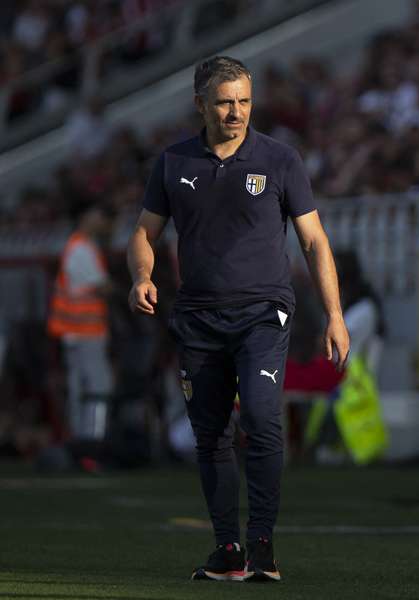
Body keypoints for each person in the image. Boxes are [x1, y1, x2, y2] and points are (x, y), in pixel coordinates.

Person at [127, 56, 349, 582]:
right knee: (211, 435)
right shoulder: (173, 161)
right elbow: (143, 232)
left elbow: (314, 240)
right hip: (198, 317)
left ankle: (263, 548)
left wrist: (334, 315)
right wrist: (142, 275)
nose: (236, 112)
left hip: (263, 314)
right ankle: (227, 549)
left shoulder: (279, 158)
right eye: (225, 101)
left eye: (245, 101)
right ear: (200, 103)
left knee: (262, 419)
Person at [47, 204, 116, 460]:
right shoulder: (81, 248)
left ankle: (81, 444)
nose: (105, 222)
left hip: (76, 333)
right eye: (102, 216)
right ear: (87, 215)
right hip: (86, 332)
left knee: (80, 389)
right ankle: (93, 444)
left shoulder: (79, 246)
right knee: (98, 387)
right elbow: (102, 287)